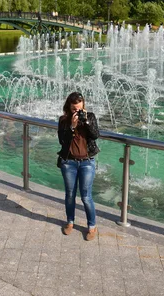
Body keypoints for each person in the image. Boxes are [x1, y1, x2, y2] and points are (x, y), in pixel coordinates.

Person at [57, 92, 100, 241]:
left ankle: (92, 226)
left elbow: (95, 135)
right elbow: (62, 141)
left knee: (86, 196)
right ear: (69, 107)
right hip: (69, 163)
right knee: (70, 195)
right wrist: (72, 127)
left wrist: (86, 122)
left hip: (87, 162)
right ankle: (70, 222)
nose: (77, 112)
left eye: (80, 109)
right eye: (75, 109)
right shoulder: (63, 121)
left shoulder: (91, 117)